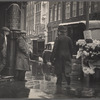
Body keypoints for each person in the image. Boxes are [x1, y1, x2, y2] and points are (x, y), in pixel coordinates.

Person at [50, 26, 73, 93]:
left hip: (59, 58)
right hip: (67, 57)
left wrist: (52, 58)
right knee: (67, 71)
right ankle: (68, 83)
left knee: (59, 72)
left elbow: (55, 49)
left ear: (59, 32)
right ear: (64, 32)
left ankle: (59, 88)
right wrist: (70, 56)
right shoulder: (69, 39)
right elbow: (71, 49)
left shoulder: (58, 39)